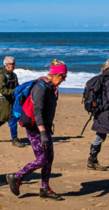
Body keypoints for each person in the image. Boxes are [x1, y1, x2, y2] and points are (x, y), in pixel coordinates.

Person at [6, 59, 67, 200]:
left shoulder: (52, 88)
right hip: (36, 128)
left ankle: (44, 188)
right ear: (56, 75)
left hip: (45, 128)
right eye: (63, 76)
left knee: (49, 158)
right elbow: (37, 111)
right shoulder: (40, 88)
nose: (64, 80)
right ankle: (16, 176)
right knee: (41, 159)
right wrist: (43, 132)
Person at [0, 57, 25, 147]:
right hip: (4, 101)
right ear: (6, 65)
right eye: (12, 64)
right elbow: (2, 90)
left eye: (14, 64)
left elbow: (17, 86)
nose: (14, 66)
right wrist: (14, 91)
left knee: (2, 119)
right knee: (12, 119)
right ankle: (14, 139)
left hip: (11, 100)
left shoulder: (14, 75)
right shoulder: (2, 76)